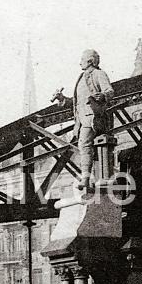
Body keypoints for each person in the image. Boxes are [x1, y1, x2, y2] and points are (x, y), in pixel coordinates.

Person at [52, 49, 114, 191]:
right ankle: (90, 177)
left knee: (84, 144)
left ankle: (85, 178)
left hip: (94, 117)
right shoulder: (81, 77)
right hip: (82, 119)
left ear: (90, 61)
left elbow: (109, 91)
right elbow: (76, 102)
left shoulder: (99, 74)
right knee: (86, 146)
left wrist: (103, 96)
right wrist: (63, 99)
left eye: (82, 59)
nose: (79, 62)